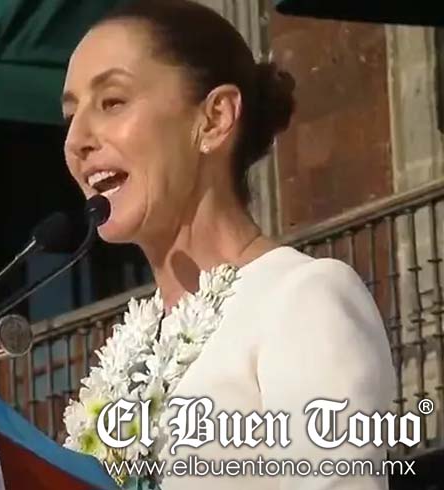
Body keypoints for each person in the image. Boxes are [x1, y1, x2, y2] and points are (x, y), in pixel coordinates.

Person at [60, 0, 397, 489]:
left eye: (112, 101)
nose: (77, 140)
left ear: (215, 118)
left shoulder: (302, 298)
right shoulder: (130, 355)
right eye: (70, 116)